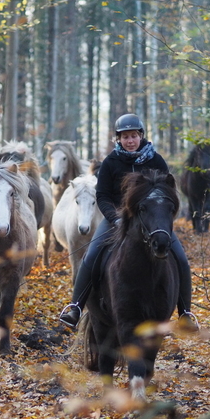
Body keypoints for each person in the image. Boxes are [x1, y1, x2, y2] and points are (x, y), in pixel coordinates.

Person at [59, 113, 198, 329]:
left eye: (133, 136)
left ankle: (186, 313)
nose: (130, 141)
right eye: (125, 137)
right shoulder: (110, 163)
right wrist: (114, 218)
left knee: (180, 258)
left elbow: (168, 193)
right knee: (92, 254)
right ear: (118, 139)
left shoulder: (156, 161)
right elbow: (102, 195)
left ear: (141, 136)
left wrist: (162, 217)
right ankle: (75, 307)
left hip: (152, 221)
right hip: (117, 218)